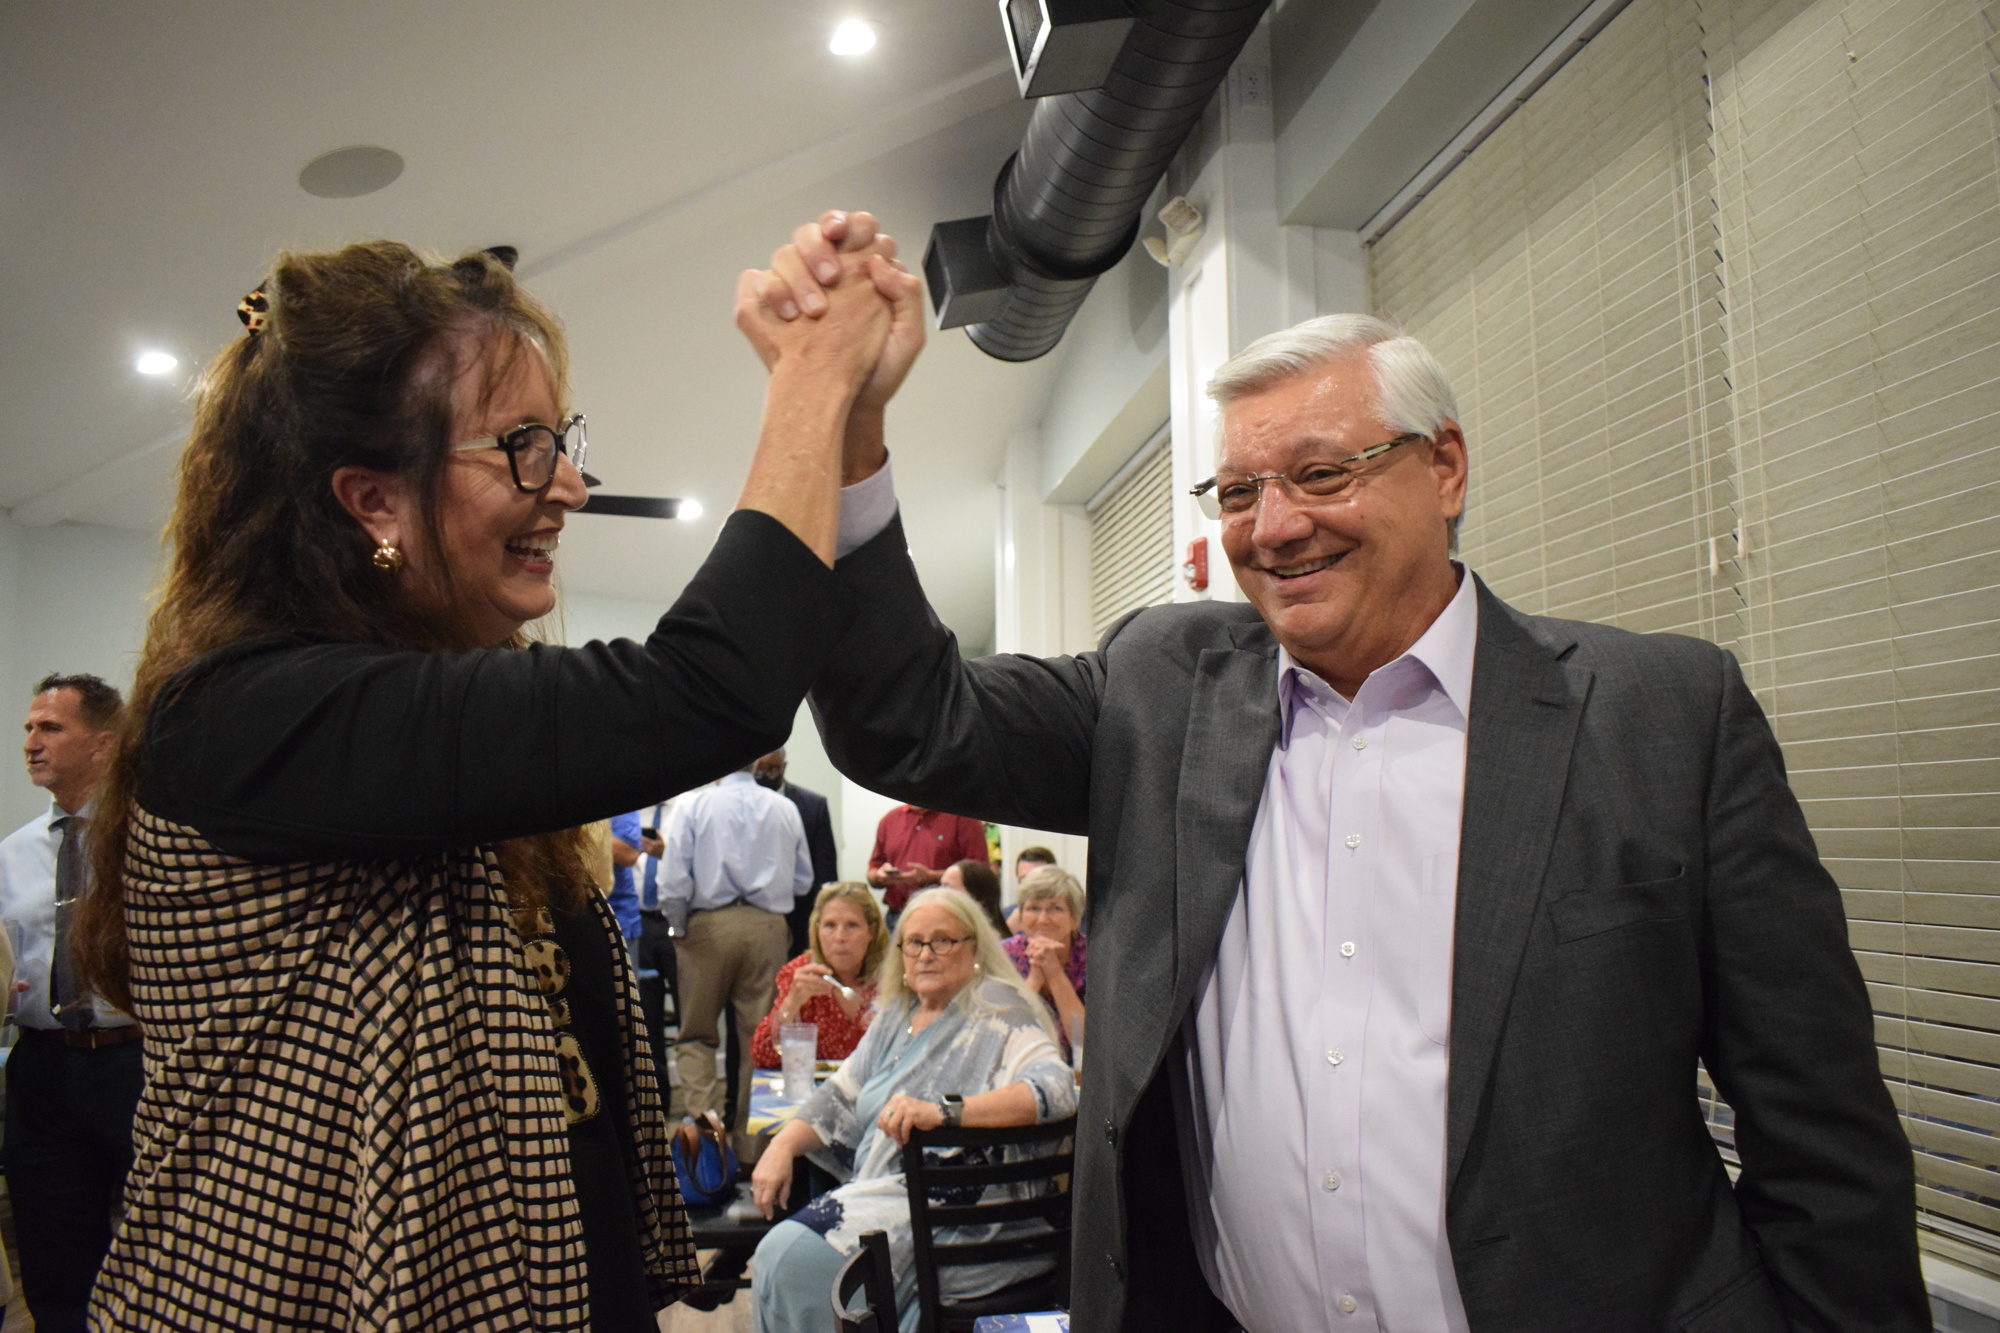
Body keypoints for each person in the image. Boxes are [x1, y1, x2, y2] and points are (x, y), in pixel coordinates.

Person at [748, 221, 1927, 1333]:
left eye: (1320, 474)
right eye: (1241, 491)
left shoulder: (1658, 717)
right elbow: (907, 723)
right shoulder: (1161, 690)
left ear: (1444, 467)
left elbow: (1819, 1136)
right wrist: (847, 435)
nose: (1272, 527)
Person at [71, 224, 923, 1331]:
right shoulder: (247, 713)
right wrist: (814, 375)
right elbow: (709, 690)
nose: (566, 483)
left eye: (558, 438)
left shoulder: (442, 706)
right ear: (373, 500)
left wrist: (851, 414)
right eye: (520, 445)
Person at [746, 888, 1077, 1333]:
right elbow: (839, 1095)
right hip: (892, 1198)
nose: (926, 954)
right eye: (914, 943)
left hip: (967, 1223)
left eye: (942, 940)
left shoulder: (1000, 1010)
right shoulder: (896, 1016)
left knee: (788, 1257)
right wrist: (782, 1146)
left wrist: (948, 1112)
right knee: (775, 1252)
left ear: (974, 947)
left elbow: (1057, 1090)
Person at [0, 674, 142, 1333]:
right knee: (55, 1256)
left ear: (105, 743)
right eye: (29, 727)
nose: (30, 742)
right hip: (41, 1070)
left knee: (155, 1238)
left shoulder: (150, 841)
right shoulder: (13, 854)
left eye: (50, 727)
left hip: (136, 1064)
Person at [659, 763, 812, 1152]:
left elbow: (673, 879)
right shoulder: (784, 807)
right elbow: (803, 881)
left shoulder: (695, 805)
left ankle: (706, 1144)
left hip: (707, 927)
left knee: (696, 1036)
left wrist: (678, 929)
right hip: (767, 927)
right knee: (758, 1039)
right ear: (758, 764)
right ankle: (751, 1147)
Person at [750, 881, 887, 1067]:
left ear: (871, 931)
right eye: (830, 925)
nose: (839, 937)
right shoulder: (802, 974)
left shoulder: (890, 977)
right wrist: (792, 1002)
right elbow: (762, 1055)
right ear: (817, 930)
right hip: (816, 1088)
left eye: (852, 925)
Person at [753, 748, 839, 954]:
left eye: (774, 768)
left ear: (784, 767)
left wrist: (823, 915)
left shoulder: (812, 805)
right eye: (762, 769)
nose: (769, 775)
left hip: (799, 913)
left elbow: (825, 869)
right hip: (753, 913)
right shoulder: (739, 806)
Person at [1000, 865, 1085, 1054]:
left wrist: (1054, 973)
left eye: (1055, 908)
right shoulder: (1004, 955)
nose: (1043, 919)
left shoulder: (1093, 958)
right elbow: (1002, 1036)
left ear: (1075, 920)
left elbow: (1085, 1045)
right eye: (1034, 908)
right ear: (1020, 916)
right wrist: (1035, 977)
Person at [866, 803, 989, 926]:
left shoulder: (963, 817)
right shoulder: (889, 820)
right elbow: (873, 870)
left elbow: (980, 874)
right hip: (897, 917)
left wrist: (931, 877)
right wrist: (880, 876)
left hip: (949, 916)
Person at [939, 857, 1007, 937]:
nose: (939, 894)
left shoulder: (1003, 946)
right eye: (941, 887)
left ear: (978, 899)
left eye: (948, 889)